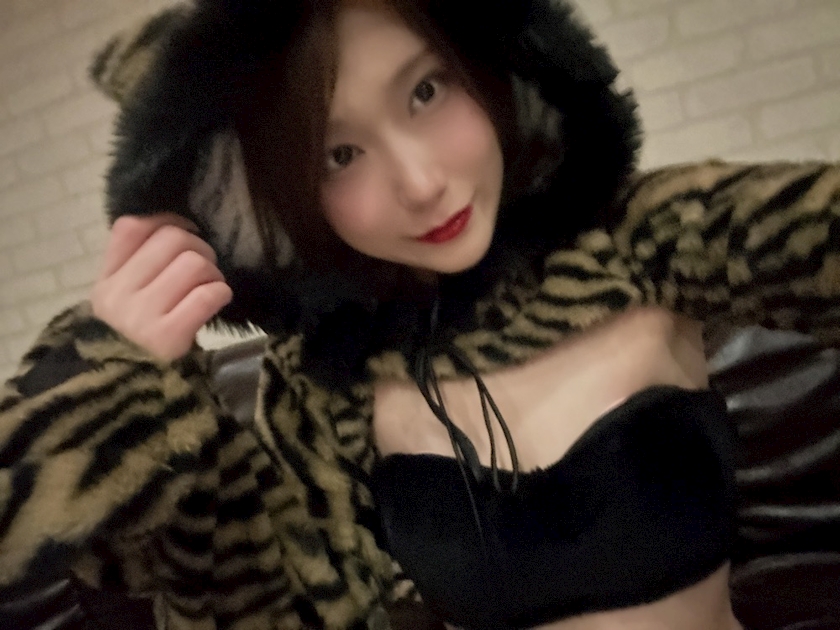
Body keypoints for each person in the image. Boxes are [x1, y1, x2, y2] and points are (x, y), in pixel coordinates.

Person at [1, 0, 839, 628]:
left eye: (428, 90)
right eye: (339, 154)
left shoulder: (643, 237)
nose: (423, 182)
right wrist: (108, 377)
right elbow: (265, 608)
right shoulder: (322, 385)